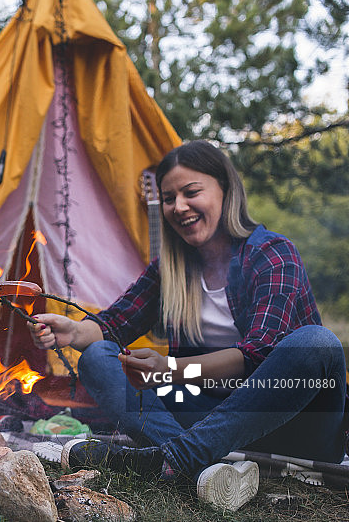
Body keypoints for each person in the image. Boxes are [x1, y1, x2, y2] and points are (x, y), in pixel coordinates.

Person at [29, 140, 346, 511]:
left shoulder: (272, 254)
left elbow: (258, 355)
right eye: (168, 198)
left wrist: (170, 370)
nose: (178, 206)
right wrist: (73, 332)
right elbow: (113, 325)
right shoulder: (171, 269)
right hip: (206, 416)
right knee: (97, 356)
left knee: (316, 343)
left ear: (225, 190)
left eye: (191, 192)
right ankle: (195, 464)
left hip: (291, 421)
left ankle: (171, 459)